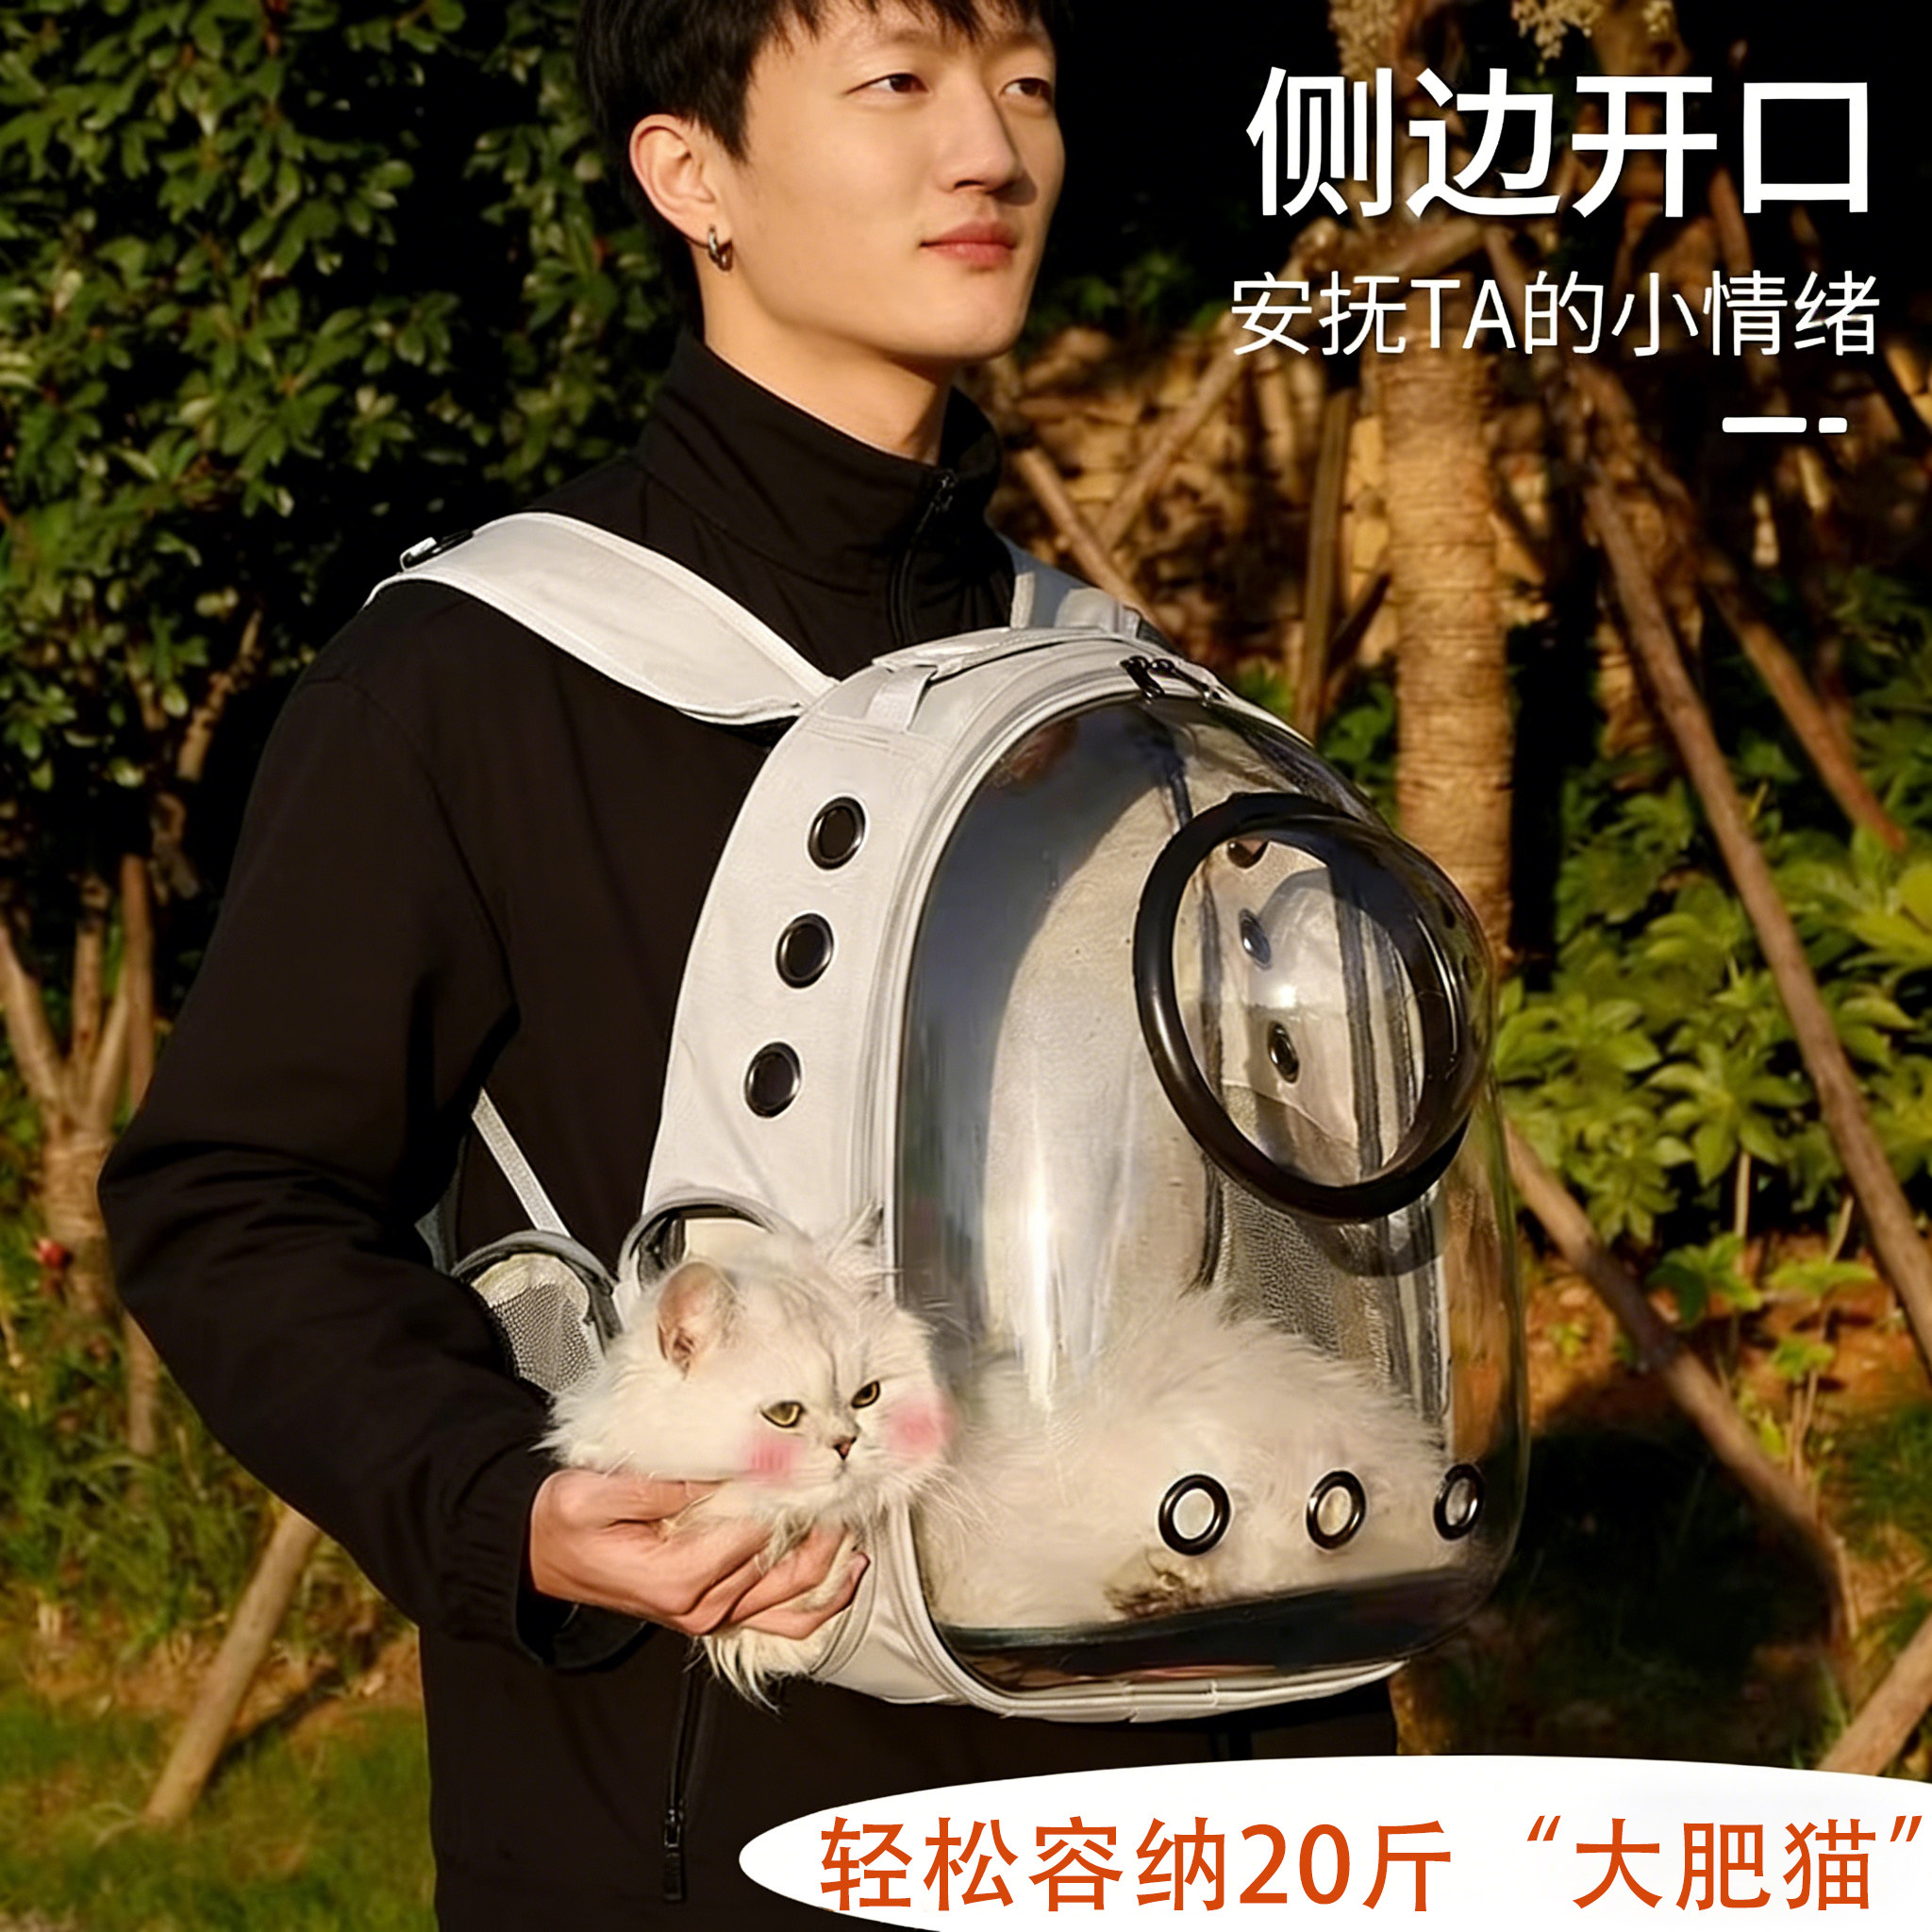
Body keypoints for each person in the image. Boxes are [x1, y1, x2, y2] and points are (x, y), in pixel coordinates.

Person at [100, 2, 1394, 1924]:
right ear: (689, 172)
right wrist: (505, 1504)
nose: (990, 149)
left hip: (1176, 1785)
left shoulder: (1112, 702)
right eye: (900, 81)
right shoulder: (480, 676)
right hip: (718, 1807)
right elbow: (230, 1196)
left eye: (1028, 82)